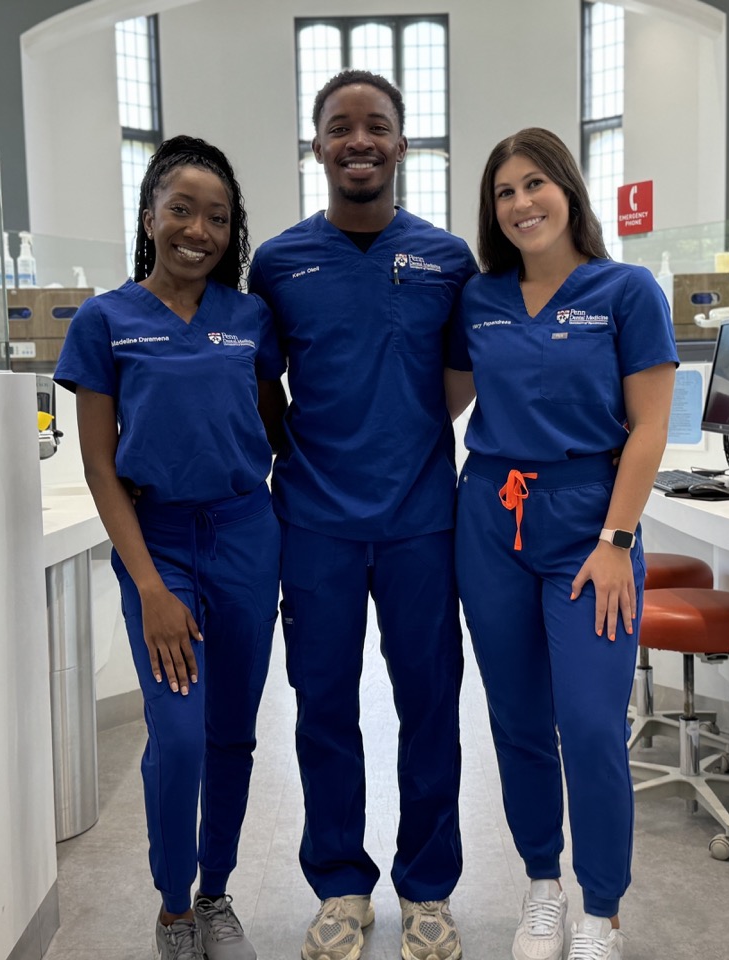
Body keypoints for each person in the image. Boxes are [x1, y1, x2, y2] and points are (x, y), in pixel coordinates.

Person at [249, 70, 476, 960]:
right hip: (316, 526)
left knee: (431, 707)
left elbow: (456, 383)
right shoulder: (278, 263)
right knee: (322, 709)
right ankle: (341, 885)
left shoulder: (447, 258)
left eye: (376, 126)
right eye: (340, 127)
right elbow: (265, 387)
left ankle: (428, 888)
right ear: (317, 147)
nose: (358, 140)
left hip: (421, 520)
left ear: (401, 144)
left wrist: (399, 437)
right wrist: (315, 454)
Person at [451, 128, 677, 960]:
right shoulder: (479, 299)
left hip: (591, 526)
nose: (520, 204)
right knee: (515, 718)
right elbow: (437, 400)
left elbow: (649, 427)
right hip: (492, 519)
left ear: (569, 190)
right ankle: (542, 884)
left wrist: (617, 537)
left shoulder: (626, 292)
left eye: (534, 184)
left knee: (587, 723)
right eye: (504, 192)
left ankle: (603, 910)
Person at [53, 136, 282, 960]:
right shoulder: (106, 321)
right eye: (181, 209)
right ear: (149, 215)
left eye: (217, 217)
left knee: (232, 733)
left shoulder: (250, 319)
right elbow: (98, 466)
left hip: (247, 534)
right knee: (178, 731)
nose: (198, 229)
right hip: (160, 546)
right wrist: (149, 584)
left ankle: (215, 894)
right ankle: (173, 907)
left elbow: (273, 423)